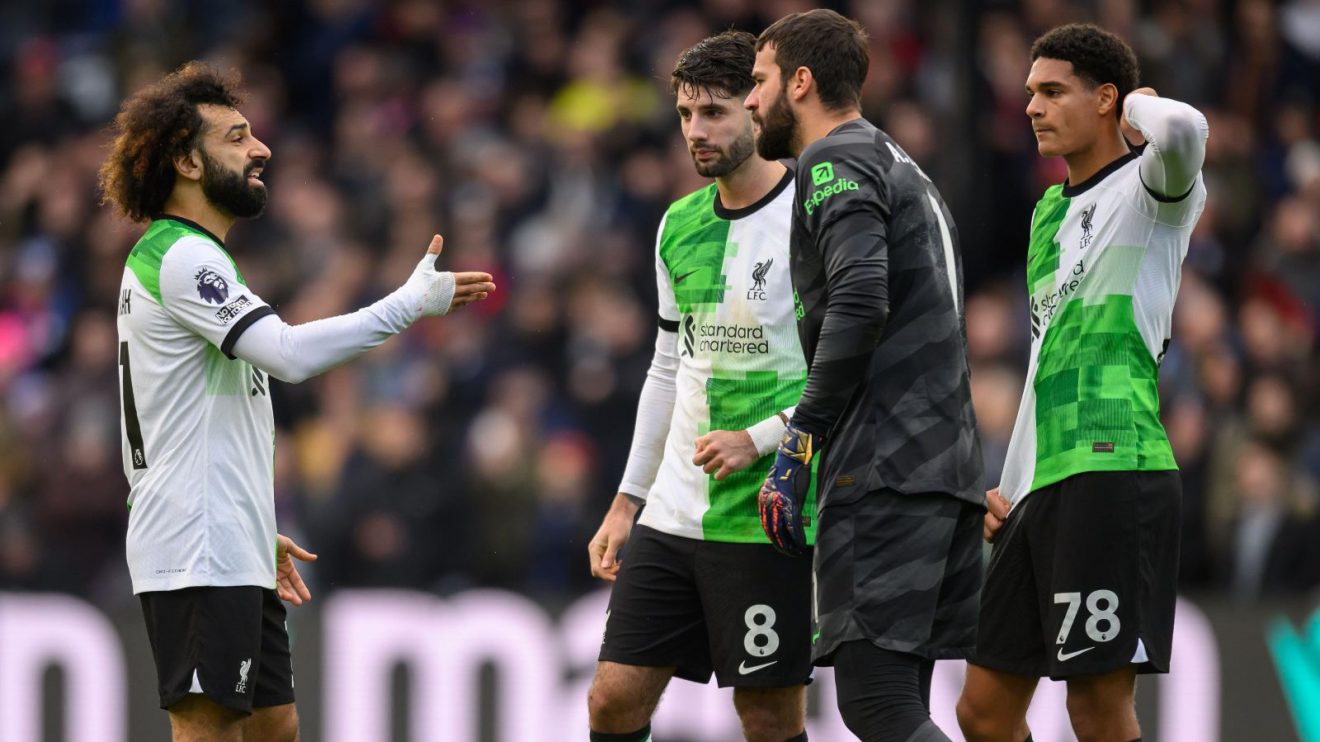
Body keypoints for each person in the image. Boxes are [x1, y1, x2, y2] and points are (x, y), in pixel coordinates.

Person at [99, 62, 495, 741]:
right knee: (209, 731)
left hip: (228, 535)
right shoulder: (180, 257)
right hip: (195, 543)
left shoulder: (195, 257)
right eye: (237, 137)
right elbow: (288, 355)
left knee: (275, 726)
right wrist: (409, 304)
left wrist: (251, 520)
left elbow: (203, 414)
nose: (261, 149)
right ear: (187, 160)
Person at [955, 23, 1208, 742]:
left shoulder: (1153, 187)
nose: (1031, 106)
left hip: (1113, 466)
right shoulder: (1047, 214)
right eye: (1030, 92)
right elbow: (1042, 363)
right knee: (984, 711)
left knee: (1095, 709)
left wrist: (1139, 109)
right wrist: (1013, 478)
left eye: (1052, 91)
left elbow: (1186, 126)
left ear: (1105, 101)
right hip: (1043, 482)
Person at [746, 10, 985, 742]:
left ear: (802, 81)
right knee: (902, 694)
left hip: (885, 468)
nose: (751, 100)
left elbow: (859, 297)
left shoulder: (833, 162)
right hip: (945, 467)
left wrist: (800, 440)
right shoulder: (895, 159)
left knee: (875, 700)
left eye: (758, 81)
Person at [585, 30, 814, 742]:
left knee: (768, 715)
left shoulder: (814, 214)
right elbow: (665, 366)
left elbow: (847, 364)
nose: (696, 130)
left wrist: (765, 438)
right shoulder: (677, 224)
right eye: (685, 114)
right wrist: (629, 499)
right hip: (675, 510)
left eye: (713, 112)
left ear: (756, 109)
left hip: (770, 508)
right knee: (611, 699)